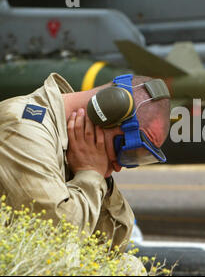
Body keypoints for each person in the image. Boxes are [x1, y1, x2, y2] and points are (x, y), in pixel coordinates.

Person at [0, 73, 171, 251]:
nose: (119, 166)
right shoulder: (22, 128)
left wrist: (97, 178)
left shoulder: (75, 152)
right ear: (105, 112)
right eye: (126, 151)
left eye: (133, 159)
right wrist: (90, 174)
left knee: (128, 267)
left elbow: (114, 243)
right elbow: (53, 239)